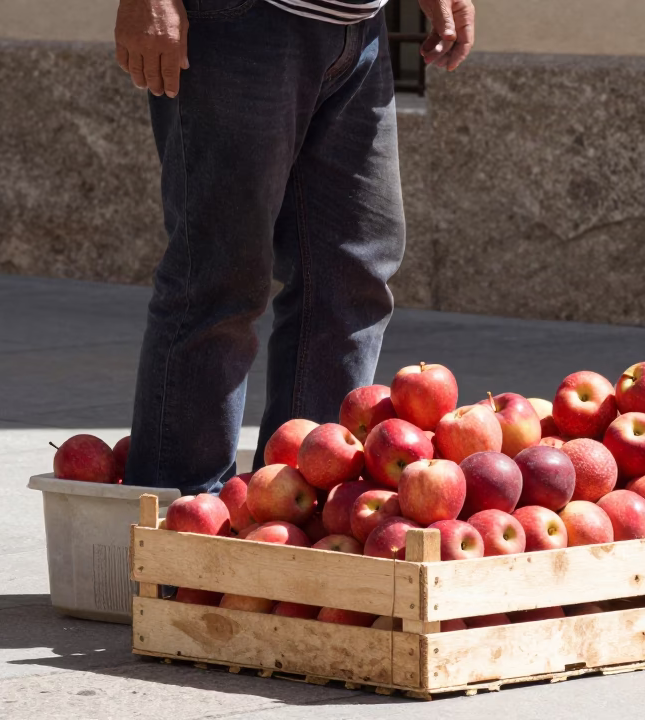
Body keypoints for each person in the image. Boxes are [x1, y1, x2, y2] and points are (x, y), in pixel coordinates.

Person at [114, 0, 474, 495]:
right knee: (219, 277)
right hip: (239, 21)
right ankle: (181, 537)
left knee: (350, 281)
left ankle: (302, 518)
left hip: (359, 29)